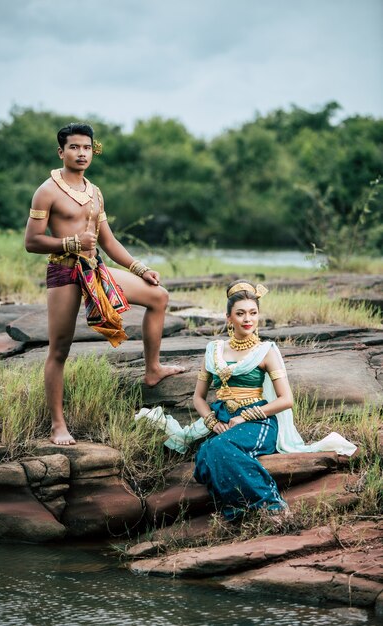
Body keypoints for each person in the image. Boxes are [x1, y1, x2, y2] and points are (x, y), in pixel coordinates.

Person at [136, 279, 356, 521]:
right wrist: (211, 421)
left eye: (253, 313)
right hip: (222, 418)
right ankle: (240, 511)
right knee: (204, 456)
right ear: (228, 317)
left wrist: (243, 416)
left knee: (216, 449)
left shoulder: (266, 351)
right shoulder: (214, 351)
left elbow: (286, 400)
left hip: (259, 421)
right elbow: (198, 398)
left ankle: (273, 506)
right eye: (240, 313)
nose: (247, 319)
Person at [25, 122, 183, 446]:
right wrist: (71, 242)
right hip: (64, 272)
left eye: (86, 147)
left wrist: (141, 268)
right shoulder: (47, 191)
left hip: (95, 268)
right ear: (61, 151)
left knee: (159, 296)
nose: (81, 153)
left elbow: (108, 241)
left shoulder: (95, 192)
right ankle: (58, 424)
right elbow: (32, 241)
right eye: (74, 147)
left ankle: (152, 370)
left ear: (92, 151)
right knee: (59, 349)